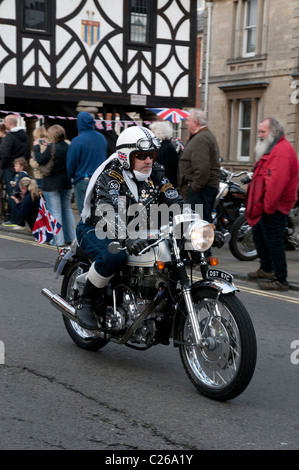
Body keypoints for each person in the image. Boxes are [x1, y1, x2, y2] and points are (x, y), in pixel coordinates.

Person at [76, 125, 185, 330]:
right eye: (142, 155)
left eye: (151, 155)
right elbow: (107, 210)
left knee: (179, 252)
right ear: (126, 156)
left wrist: (197, 225)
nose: (149, 161)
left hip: (139, 228)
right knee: (113, 256)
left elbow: (174, 200)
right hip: (96, 228)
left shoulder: (156, 174)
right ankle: (86, 303)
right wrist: (126, 238)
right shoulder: (111, 176)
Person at [246, 117, 299, 291]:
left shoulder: (281, 150)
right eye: (259, 131)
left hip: (274, 206)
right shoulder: (273, 147)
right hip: (266, 205)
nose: (260, 135)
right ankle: (266, 269)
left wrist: (267, 206)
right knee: (261, 238)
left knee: (274, 242)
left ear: (273, 132)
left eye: (263, 131)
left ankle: (280, 280)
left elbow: (276, 182)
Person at [35, 124, 76, 247]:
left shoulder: (52, 148)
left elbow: (40, 160)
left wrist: (37, 147)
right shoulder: (69, 147)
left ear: (52, 135)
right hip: (66, 182)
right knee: (67, 210)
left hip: (52, 184)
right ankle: (72, 239)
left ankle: (58, 240)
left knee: (55, 212)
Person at [178, 109, 220, 223]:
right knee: (199, 224)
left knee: (198, 225)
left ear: (195, 122)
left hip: (201, 190)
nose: (186, 123)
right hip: (201, 189)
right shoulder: (201, 136)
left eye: (188, 120)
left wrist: (194, 188)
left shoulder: (201, 138)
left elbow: (202, 168)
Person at [67, 112, 108, 215]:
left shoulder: (77, 141)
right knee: (98, 214)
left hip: (83, 180)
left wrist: (71, 175)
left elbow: (71, 164)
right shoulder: (102, 138)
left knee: (85, 215)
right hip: (100, 180)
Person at [0, 114, 30, 226]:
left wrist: (3, 166)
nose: (4, 124)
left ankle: (13, 219)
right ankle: (20, 220)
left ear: (9, 123)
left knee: (12, 194)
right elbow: (27, 152)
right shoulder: (25, 136)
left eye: (5, 122)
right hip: (21, 169)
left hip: (9, 169)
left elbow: (4, 154)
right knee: (21, 194)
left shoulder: (10, 136)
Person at [149, 121, 179, 187]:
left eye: (153, 132)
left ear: (159, 132)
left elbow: (170, 171)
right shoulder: (161, 146)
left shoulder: (168, 148)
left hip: (166, 186)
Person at [10, 157, 30, 230]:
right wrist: (14, 186)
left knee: (20, 208)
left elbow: (21, 184)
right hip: (19, 194)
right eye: (14, 165)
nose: (14, 167)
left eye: (16, 166)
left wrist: (15, 190)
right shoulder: (19, 174)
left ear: (22, 167)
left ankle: (21, 224)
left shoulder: (22, 175)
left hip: (21, 195)